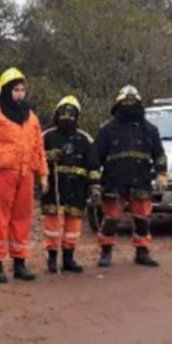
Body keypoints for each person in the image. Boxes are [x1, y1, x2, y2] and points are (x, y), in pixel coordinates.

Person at [0, 68, 49, 283]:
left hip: (25, 174)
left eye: (22, 90)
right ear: (5, 90)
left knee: (22, 219)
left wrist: (43, 174)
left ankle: (19, 262)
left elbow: (38, 148)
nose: (20, 94)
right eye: (16, 90)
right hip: (1, 175)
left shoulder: (30, 117)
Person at [94, 85, 166, 268]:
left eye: (132, 102)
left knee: (142, 218)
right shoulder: (107, 130)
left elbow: (159, 154)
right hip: (114, 180)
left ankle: (142, 252)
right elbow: (96, 158)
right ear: (118, 104)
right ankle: (105, 252)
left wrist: (162, 174)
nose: (129, 106)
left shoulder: (150, 129)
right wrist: (94, 181)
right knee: (110, 219)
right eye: (125, 102)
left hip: (141, 179)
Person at [40, 95, 99, 274]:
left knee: (73, 225)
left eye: (72, 114)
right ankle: (52, 258)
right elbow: (34, 157)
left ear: (77, 116)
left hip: (77, 188)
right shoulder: (46, 136)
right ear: (57, 115)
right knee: (52, 225)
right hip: (54, 187)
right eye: (64, 113)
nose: (67, 117)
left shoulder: (85, 139)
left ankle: (68, 259)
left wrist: (95, 186)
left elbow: (93, 164)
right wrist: (47, 157)